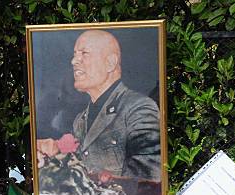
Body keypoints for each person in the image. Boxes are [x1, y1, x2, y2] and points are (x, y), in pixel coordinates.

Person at [37, 29, 161, 183]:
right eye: (75, 54)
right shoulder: (80, 120)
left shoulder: (138, 108)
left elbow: (148, 178)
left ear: (110, 63)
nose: (74, 61)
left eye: (84, 53)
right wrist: (55, 153)